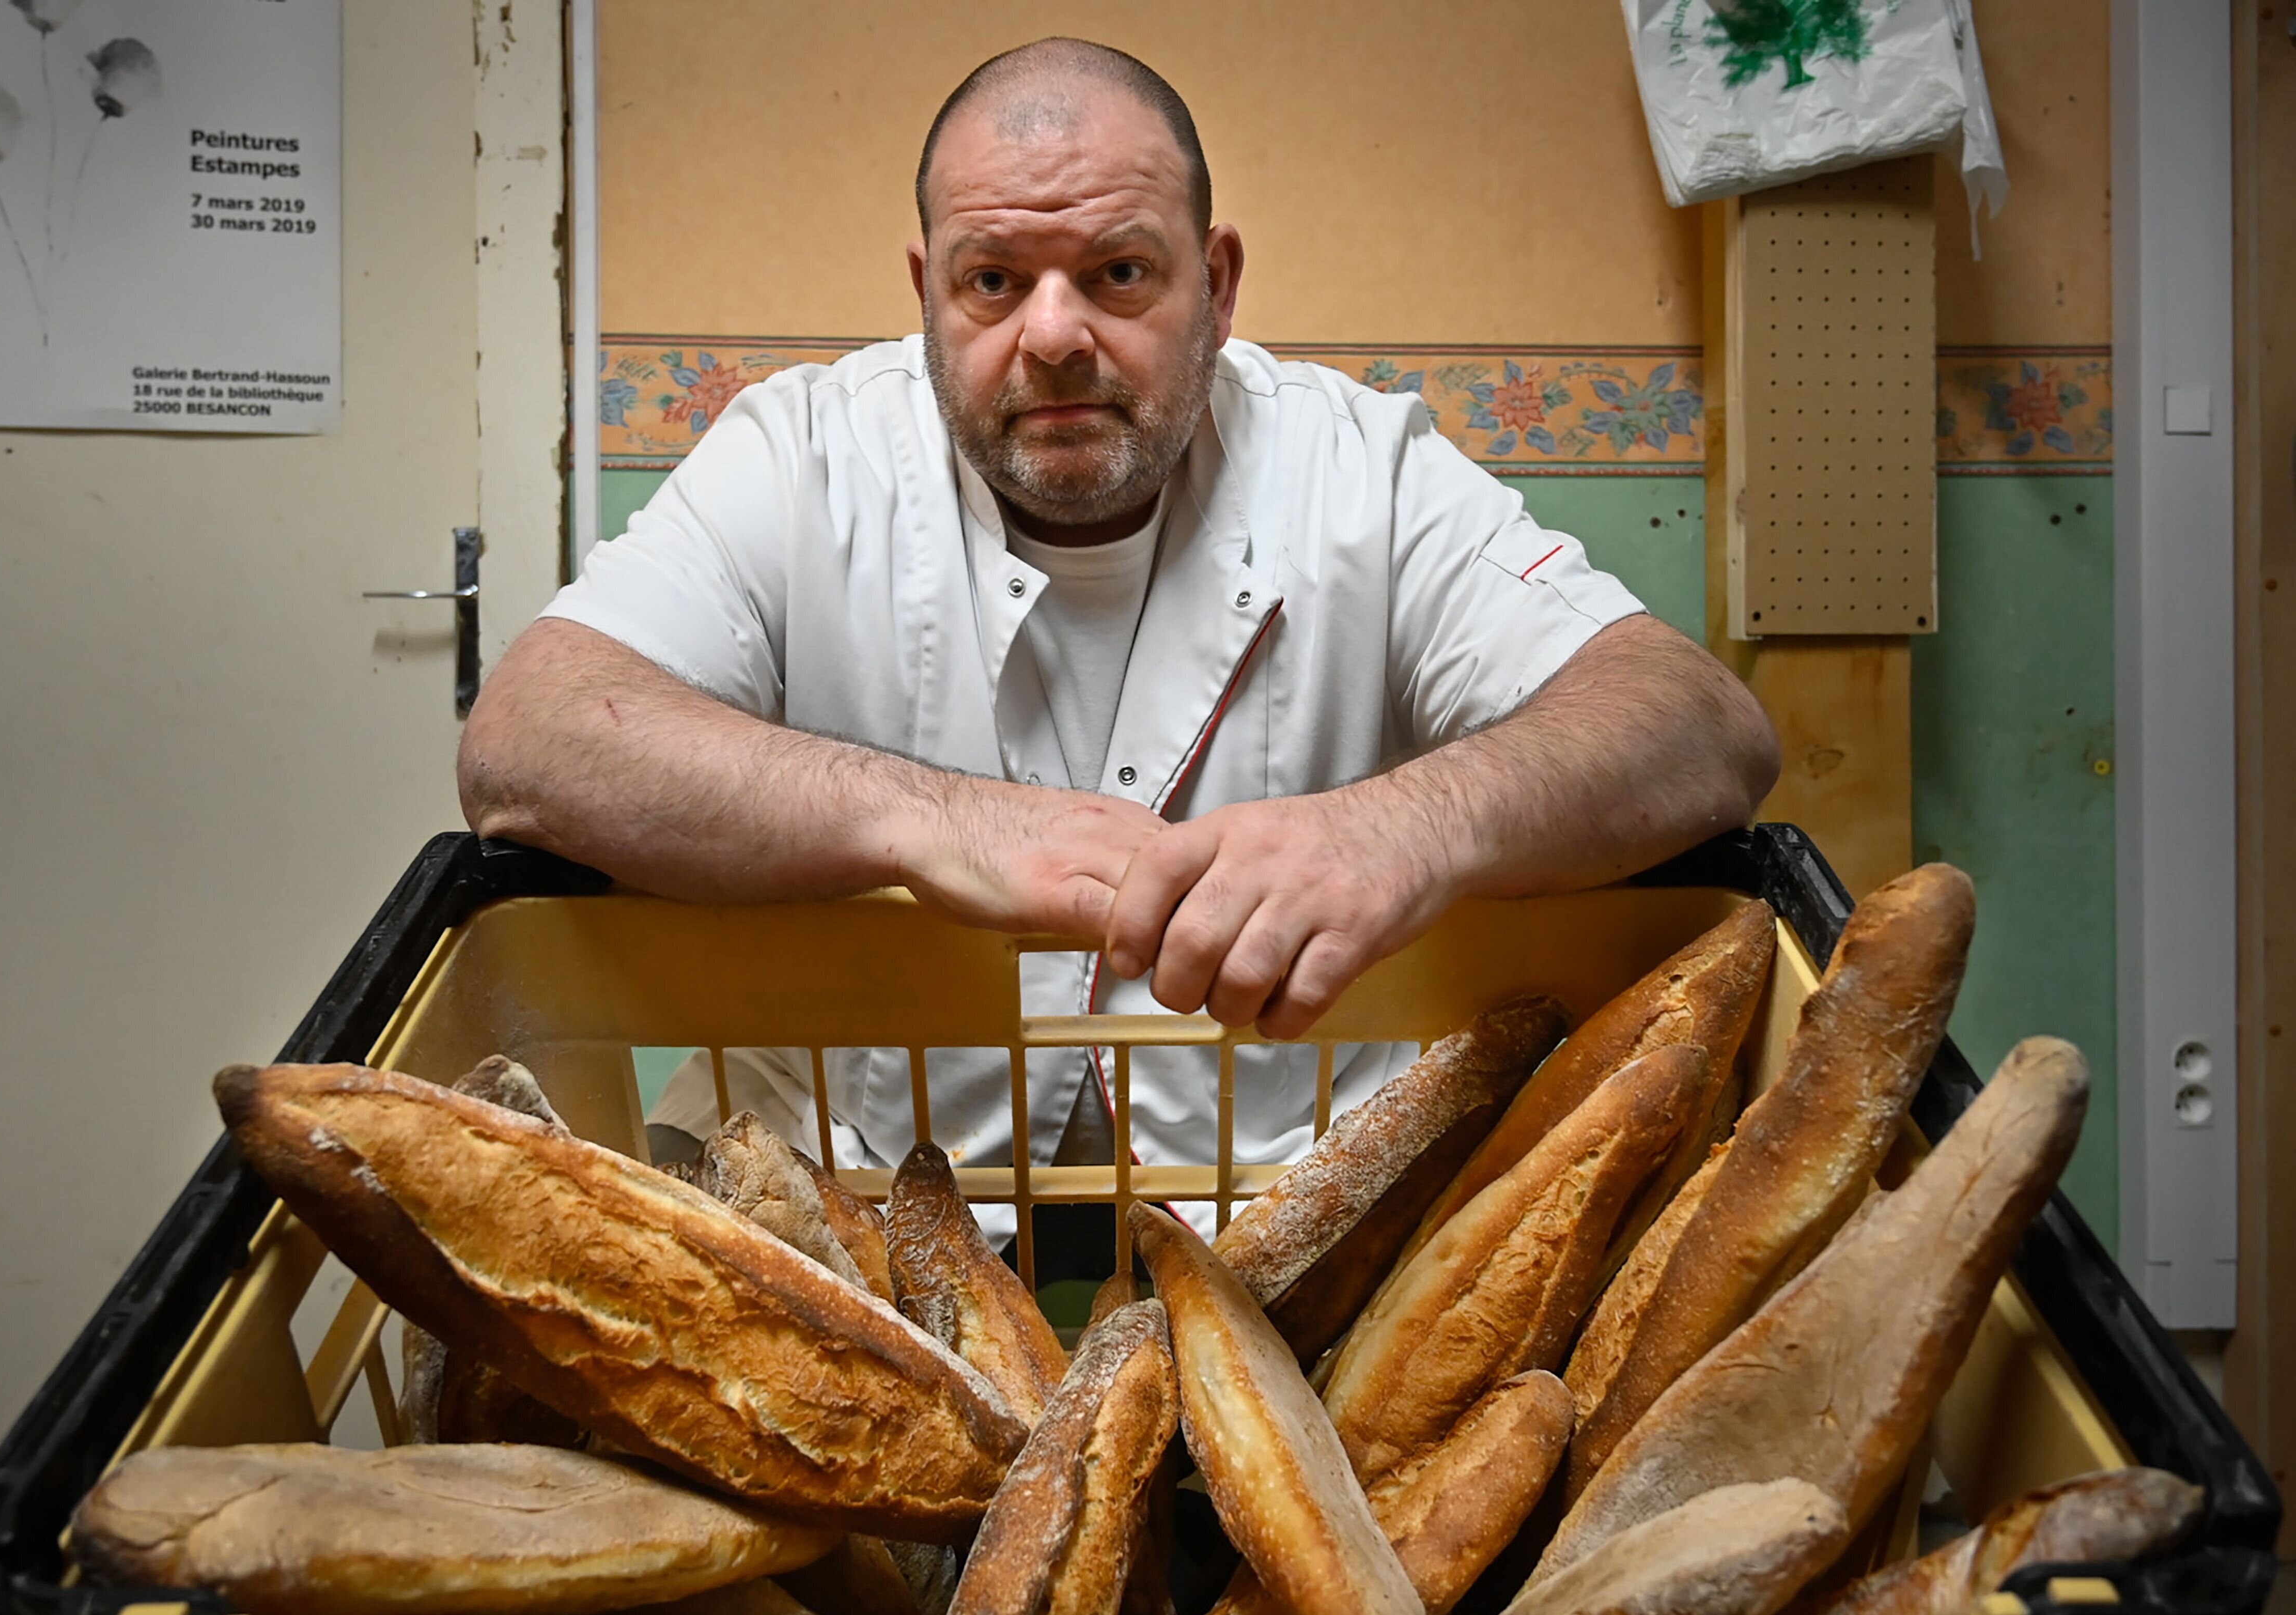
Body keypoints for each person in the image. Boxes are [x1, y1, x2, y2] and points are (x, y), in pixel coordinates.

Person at [459, 38, 1777, 1255]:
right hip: (839, 1208)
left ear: (1217, 281)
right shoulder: (801, 456)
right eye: (991, 281)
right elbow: (530, 738)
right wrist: (920, 818)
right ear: (928, 294)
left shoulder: (1358, 473)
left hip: (1299, 1223)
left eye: (1118, 273)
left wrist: (1406, 827)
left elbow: (1696, 723)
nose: (1051, 335)